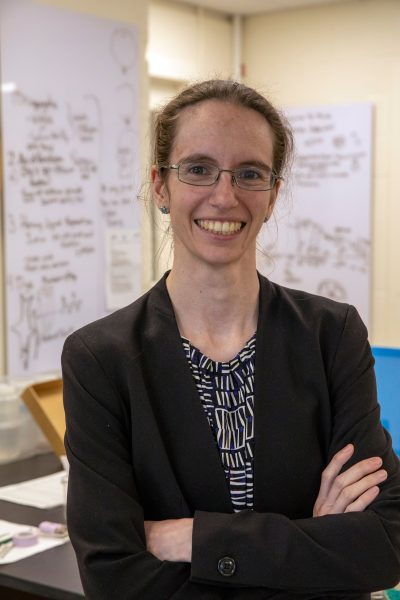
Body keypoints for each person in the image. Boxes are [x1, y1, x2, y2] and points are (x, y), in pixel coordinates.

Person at [62, 79, 400, 600]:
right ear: (160, 185)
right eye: (198, 169)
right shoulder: (101, 359)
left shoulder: (332, 336)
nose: (225, 195)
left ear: (273, 195)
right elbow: (113, 577)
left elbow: (385, 543)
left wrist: (197, 538)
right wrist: (311, 545)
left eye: (250, 174)